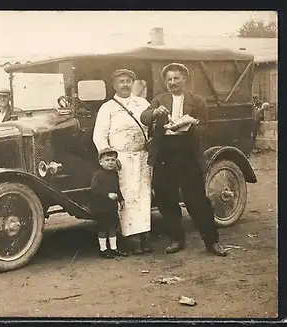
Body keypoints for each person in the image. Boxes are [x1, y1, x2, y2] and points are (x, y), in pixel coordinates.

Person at [139, 62, 227, 257]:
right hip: (164, 154)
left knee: (196, 199)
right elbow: (144, 117)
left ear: (184, 79)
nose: (172, 82)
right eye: (169, 79)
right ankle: (176, 239)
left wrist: (192, 125)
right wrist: (154, 113)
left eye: (176, 78)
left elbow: (204, 127)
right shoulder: (159, 100)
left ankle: (212, 242)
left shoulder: (197, 101)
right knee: (165, 198)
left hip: (187, 152)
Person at [92, 68, 153, 255]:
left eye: (128, 81)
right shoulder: (107, 107)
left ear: (133, 83)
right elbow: (99, 136)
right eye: (121, 81)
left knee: (143, 196)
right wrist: (109, 157)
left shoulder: (143, 103)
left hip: (142, 157)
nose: (125, 84)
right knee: (126, 197)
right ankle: (130, 239)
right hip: (121, 158)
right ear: (114, 85)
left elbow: (153, 125)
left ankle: (145, 237)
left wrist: (152, 141)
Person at [91, 148, 129, 259]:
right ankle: (103, 249)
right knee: (103, 228)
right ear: (100, 162)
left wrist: (121, 199)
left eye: (113, 160)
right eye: (107, 160)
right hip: (101, 207)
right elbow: (95, 189)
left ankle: (113, 248)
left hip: (112, 207)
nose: (110, 162)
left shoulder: (114, 174)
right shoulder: (98, 175)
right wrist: (107, 194)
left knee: (113, 227)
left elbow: (117, 188)